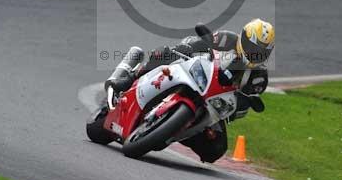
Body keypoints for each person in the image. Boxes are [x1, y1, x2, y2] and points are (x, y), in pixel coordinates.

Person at [106, 19, 275, 163]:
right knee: (164, 52)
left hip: (213, 105)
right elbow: (199, 43)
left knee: (216, 149)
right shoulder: (227, 39)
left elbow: (246, 103)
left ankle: (176, 131)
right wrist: (185, 49)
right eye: (253, 48)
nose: (255, 54)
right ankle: (129, 78)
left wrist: (243, 102)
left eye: (260, 52)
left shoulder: (259, 76)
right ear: (244, 38)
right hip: (198, 75)